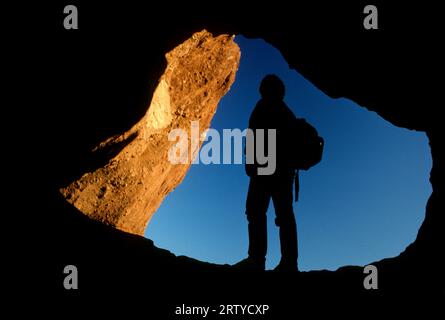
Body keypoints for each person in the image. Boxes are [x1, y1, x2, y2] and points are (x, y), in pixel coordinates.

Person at [236, 74, 299, 272]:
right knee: (284, 215)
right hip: (284, 172)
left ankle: (257, 259)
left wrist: (250, 163)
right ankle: (289, 262)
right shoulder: (287, 112)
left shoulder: (262, 107)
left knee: (256, 211)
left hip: (265, 170)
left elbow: (254, 136)